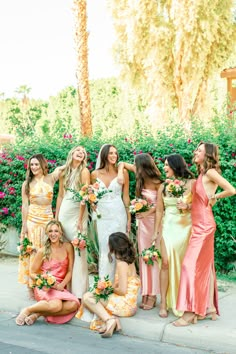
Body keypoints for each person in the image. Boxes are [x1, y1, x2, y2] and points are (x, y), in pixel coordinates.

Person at [174, 142, 236, 326]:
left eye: (199, 150)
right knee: (205, 268)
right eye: (196, 149)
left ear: (207, 155)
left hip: (205, 226)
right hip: (198, 224)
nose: (195, 152)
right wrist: (187, 206)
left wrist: (216, 197)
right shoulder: (201, 174)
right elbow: (200, 203)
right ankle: (208, 308)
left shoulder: (210, 173)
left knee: (188, 266)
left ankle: (189, 312)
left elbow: (232, 190)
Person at [118, 153, 162, 310]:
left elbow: (160, 205)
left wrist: (147, 212)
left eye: (137, 166)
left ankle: (153, 294)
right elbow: (122, 163)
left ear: (144, 166)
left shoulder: (158, 182)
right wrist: (120, 176)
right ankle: (145, 291)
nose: (135, 169)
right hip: (142, 224)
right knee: (143, 257)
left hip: (154, 223)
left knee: (153, 257)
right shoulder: (140, 177)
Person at [153, 154, 195, 317]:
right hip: (168, 227)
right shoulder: (163, 186)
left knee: (184, 266)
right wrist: (156, 232)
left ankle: (184, 300)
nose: (164, 168)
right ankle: (163, 302)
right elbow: (158, 210)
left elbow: (201, 204)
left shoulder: (192, 183)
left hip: (185, 227)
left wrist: (188, 205)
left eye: (166, 165)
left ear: (175, 165)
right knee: (165, 262)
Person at [15, 220, 80, 326]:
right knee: (57, 305)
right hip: (45, 287)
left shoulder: (68, 247)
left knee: (73, 305)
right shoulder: (43, 251)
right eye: (50, 231)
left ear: (61, 233)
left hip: (60, 286)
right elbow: (32, 272)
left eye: (56, 231)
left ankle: (36, 314)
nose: (53, 234)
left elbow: (69, 271)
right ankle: (27, 310)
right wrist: (44, 281)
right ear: (47, 233)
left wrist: (62, 285)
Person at [18, 154, 65, 291]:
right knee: (32, 251)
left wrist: (75, 157)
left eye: (36, 164)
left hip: (48, 219)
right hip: (32, 220)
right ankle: (32, 286)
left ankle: (46, 284)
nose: (33, 167)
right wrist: (24, 226)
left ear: (43, 165)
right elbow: (25, 206)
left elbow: (63, 167)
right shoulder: (26, 184)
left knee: (46, 252)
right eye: (31, 165)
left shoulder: (51, 178)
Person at [82, 232, 140, 338]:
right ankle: (112, 319)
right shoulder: (128, 261)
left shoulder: (122, 264)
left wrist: (108, 287)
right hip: (128, 303)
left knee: (87, 298)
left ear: (113, 247)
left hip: (126, 305)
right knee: (92, 295)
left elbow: (122, 291)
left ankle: (110, 320)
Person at [90, 144, 130, 281]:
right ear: (104, 155)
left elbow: (126, 197)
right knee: (104, 248)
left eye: (115, 153)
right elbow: (91, 196)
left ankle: (121, 285)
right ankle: (105, 284)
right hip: (103, 216)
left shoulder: (123, 173)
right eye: (111, 153)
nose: (114, 156)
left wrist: (129, 219)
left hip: (118, 214)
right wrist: (92, 203)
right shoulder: (94, 174)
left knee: (119, 248)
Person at [56, 145, 90, 300]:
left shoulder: (84, 171)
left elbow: (85, 196)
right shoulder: (64, 172)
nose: (81, 153)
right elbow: (60, 196)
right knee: (65, 251)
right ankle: (65, 288)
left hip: (77, 214)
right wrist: (56, 219)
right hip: (64, 212)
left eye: (83, 152)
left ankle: (80, 292)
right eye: (78, 151)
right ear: (72, 153)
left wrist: (80, 219)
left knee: (79, 250)